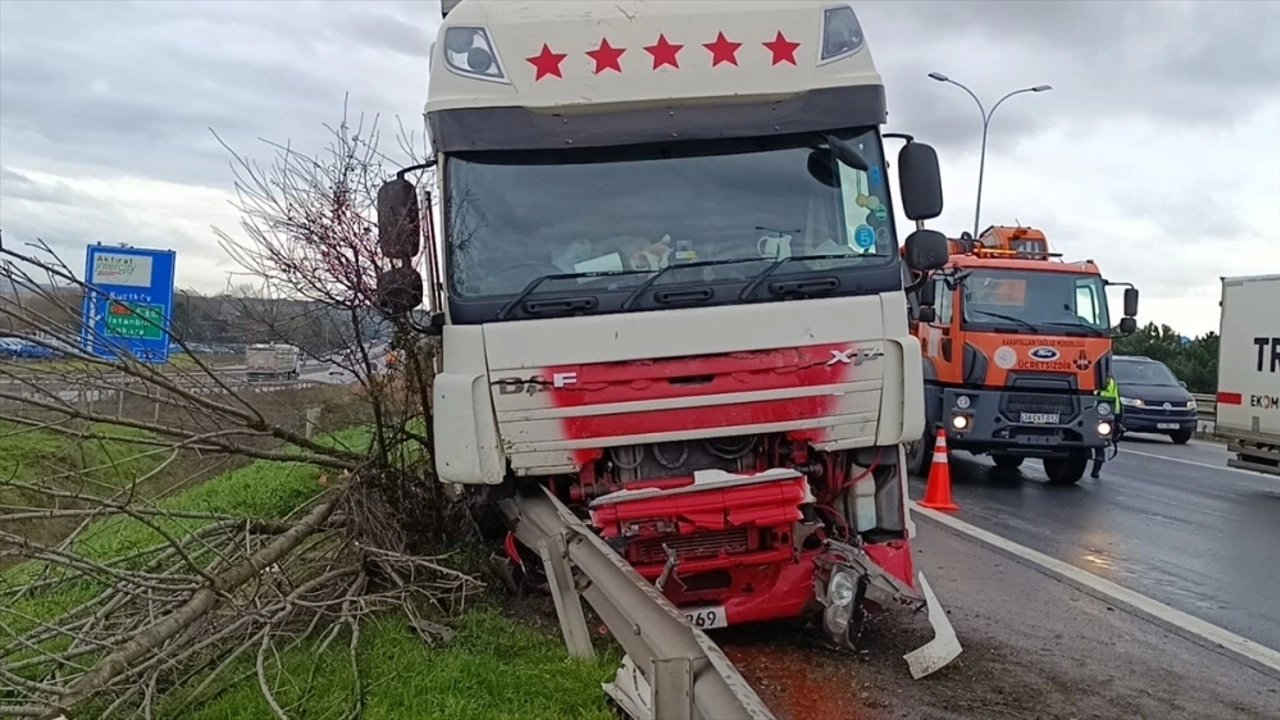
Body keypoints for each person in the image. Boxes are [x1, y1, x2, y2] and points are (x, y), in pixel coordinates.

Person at [1091, 376, 1122, 478]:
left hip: (1095, 410)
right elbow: (1117, 401)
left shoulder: (1095, 377)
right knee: (1100, 442)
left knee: (1099, 442)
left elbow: (1116, 399)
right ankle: (1096, 469)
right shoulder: (1111, 380)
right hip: (1106, 412)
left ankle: (1096, 469)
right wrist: (1117, 419)